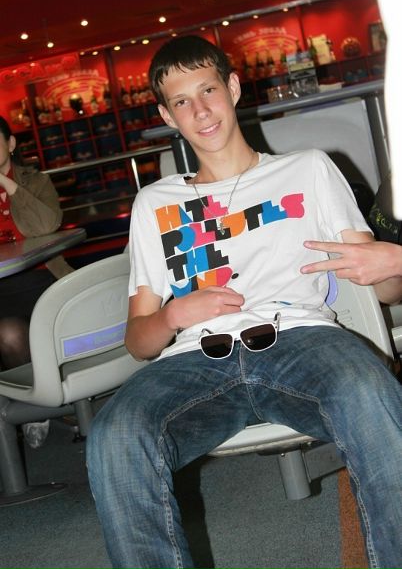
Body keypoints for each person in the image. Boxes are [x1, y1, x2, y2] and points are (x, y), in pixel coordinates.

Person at [86, 35, 402, 569]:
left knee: (371, 393)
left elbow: (384, 287)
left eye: (208, 90)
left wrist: (394, 265)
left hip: (301, 339)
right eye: (181, 101)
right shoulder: (155, 203)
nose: (200, 110)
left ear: (232, 88)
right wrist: (172, 314)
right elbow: (139, 342)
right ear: (166, 115)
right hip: (193, 360)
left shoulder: (308, 169)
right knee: (114, 434)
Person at [0, 115, 73, 371]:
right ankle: (33, 393)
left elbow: (46, 225)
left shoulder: (36, 181)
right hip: (2, 288)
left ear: (11, 144)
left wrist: (6, 183)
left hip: (41, 278)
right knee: (9, 334)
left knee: (42, 331)